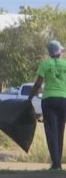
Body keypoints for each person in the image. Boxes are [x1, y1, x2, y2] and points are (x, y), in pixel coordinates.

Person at [29, 40, 66, 170]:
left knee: (51, 132)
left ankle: (55, 163)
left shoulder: (45, 63)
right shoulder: (65, 64)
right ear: (59, 52)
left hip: (49, 100)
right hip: (63, 100)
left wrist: (30, 98)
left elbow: (38, 84)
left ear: (50, 52)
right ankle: (58, 163)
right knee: (60, 131)